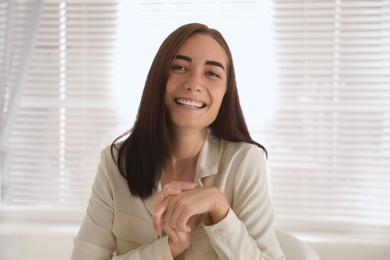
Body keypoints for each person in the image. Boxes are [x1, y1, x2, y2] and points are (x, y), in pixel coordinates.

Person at [70, 23, 285, 260]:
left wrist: (219, 207)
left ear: (226, 92)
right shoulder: (115, 162)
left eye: (212, 73)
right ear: (158, 78)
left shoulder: (245, 161)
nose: (194, 84)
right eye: (180, 67)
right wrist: (167, 249)